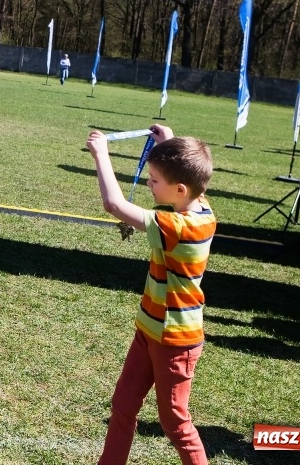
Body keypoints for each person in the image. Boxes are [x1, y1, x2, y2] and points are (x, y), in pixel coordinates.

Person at [87, 124, 216, 465]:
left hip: (175, 340)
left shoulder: (177, 227)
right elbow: (188, 172)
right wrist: (170, 142)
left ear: (179, 189)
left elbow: (113, 204)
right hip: (150, 329)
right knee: (123, 406)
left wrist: (102, 155)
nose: (148, 183)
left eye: (155, 179)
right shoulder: (200, 205)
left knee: (174, 421)